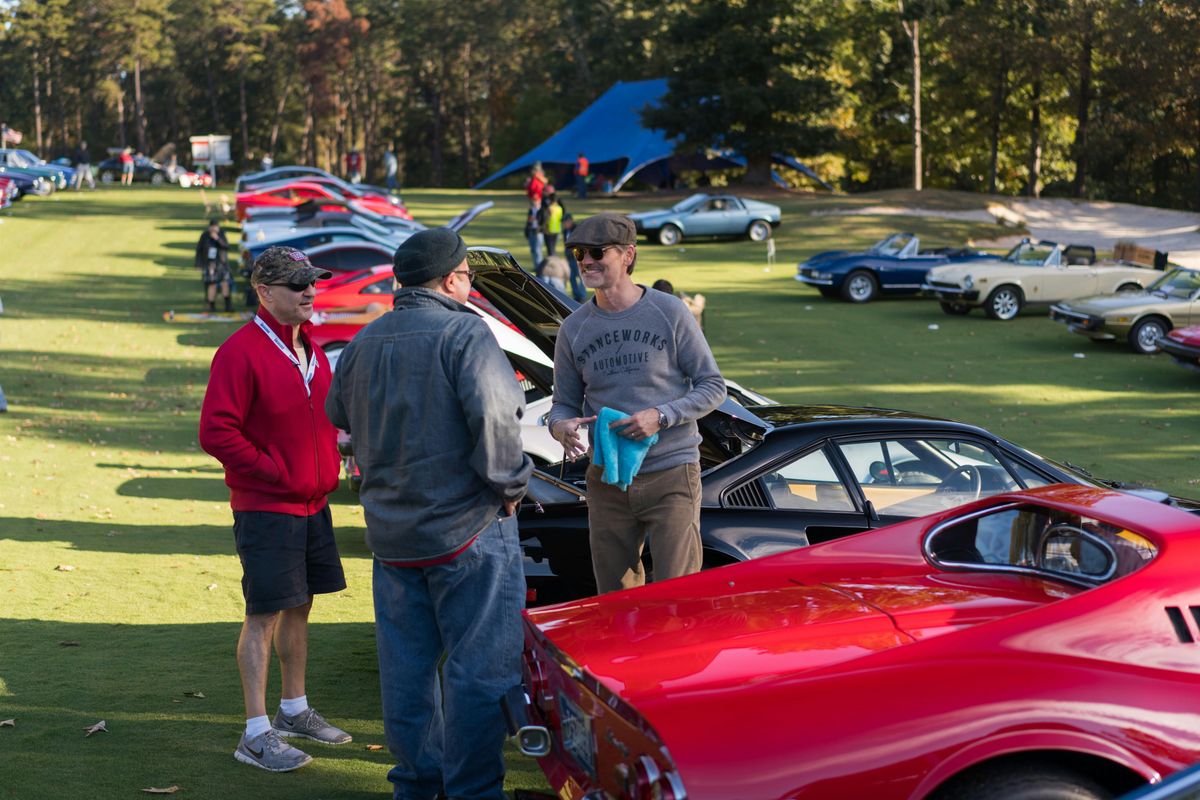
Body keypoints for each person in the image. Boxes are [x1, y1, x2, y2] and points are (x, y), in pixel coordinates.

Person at [326, 228, 532, 800]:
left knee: (406, 671)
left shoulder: (365, 340)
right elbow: (496, 422)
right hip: (467, 528)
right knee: (480, 670)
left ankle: (417, 785)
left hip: (392, 533)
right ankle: (471, 791)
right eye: (468, 276)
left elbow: (336, 413)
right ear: (450, 279)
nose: (469, 285)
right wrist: (511, 486)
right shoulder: (466, 331)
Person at [198, 246, 351, 773]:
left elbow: (323, 419)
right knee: (263, 614)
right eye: (295, 284)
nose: (309, 291)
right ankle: (255, 732)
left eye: (312, 282)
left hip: (312, 504)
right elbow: (215, 431)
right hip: (267, 507)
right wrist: (275, 471)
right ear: (264, 292)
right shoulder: (240, 352)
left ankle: (294, 709)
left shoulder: (313, 348)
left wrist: (338, 452)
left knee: (300, 604)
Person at [548, 213, 725, 593]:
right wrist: (559, 426)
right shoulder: (573, 328)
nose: (586, 261)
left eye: (597, 252)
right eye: (579, 253)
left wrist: (661, 416)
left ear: (628, 254)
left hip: (672, 472)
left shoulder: (669, 311)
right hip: (607, 479)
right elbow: (562, 403)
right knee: (615, 597)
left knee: (677, 594)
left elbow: (713, 386)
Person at [195, 219, 233, 312]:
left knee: (225, 283)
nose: (214, 229)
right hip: (210, 264)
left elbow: (226, 246)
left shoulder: (221, 234)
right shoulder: (204, 235)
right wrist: (198, 264)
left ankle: (228, 305)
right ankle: (211, 306)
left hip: (221, 263)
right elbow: (199, 250)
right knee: (212, 285)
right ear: (209, 227)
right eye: (212, 227)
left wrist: (217, 239)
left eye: (216, 227)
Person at [560, 214, 586, 301]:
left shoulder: (577, 229)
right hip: (569, 256)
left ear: (570, 221)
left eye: (565, 222)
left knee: (580, 275)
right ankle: (576, 295)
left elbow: (580, 243)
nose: (564, 224)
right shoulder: (565, 231)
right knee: (571, 277)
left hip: (578, 256)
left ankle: (582, 295)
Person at [539, 189, 564, 258]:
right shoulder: (560, 208)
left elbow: (546, 219)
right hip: (557, 229)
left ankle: (552, 263)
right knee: (553, 248)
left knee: (550, 249)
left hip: (549, 230)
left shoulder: (549, 208)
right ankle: (554, 260)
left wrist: (543, 228)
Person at [523, 205, 543, 272]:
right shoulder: (531, 210)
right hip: (531, 231)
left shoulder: (541, 210)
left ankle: (539, 267)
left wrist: (535, 219)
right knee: (533, 250)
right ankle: (536, 266)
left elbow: (543, 220)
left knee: (537, 250)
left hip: (538, 232)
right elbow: (528, 221)